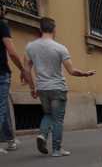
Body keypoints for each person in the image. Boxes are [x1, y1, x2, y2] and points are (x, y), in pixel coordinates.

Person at [23, 17, 97, 157]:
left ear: (40, 29)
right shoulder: (59, 48)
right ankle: (57, 149)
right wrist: (86, 74)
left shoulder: (30, 47)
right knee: (57, 118)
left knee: (48, 114)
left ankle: (42, 136)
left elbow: (26, 68)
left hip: (41, 87)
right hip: (57, 88)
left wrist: (32, 86)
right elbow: (71, 71)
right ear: (54, 30)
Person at [0, 3, 27, 155]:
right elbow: (11, 51)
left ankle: (10, 140)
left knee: (3, 108)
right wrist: (23, 70)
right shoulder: (2, 25)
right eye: (5, 10)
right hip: (1, 72)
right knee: (0, 108)